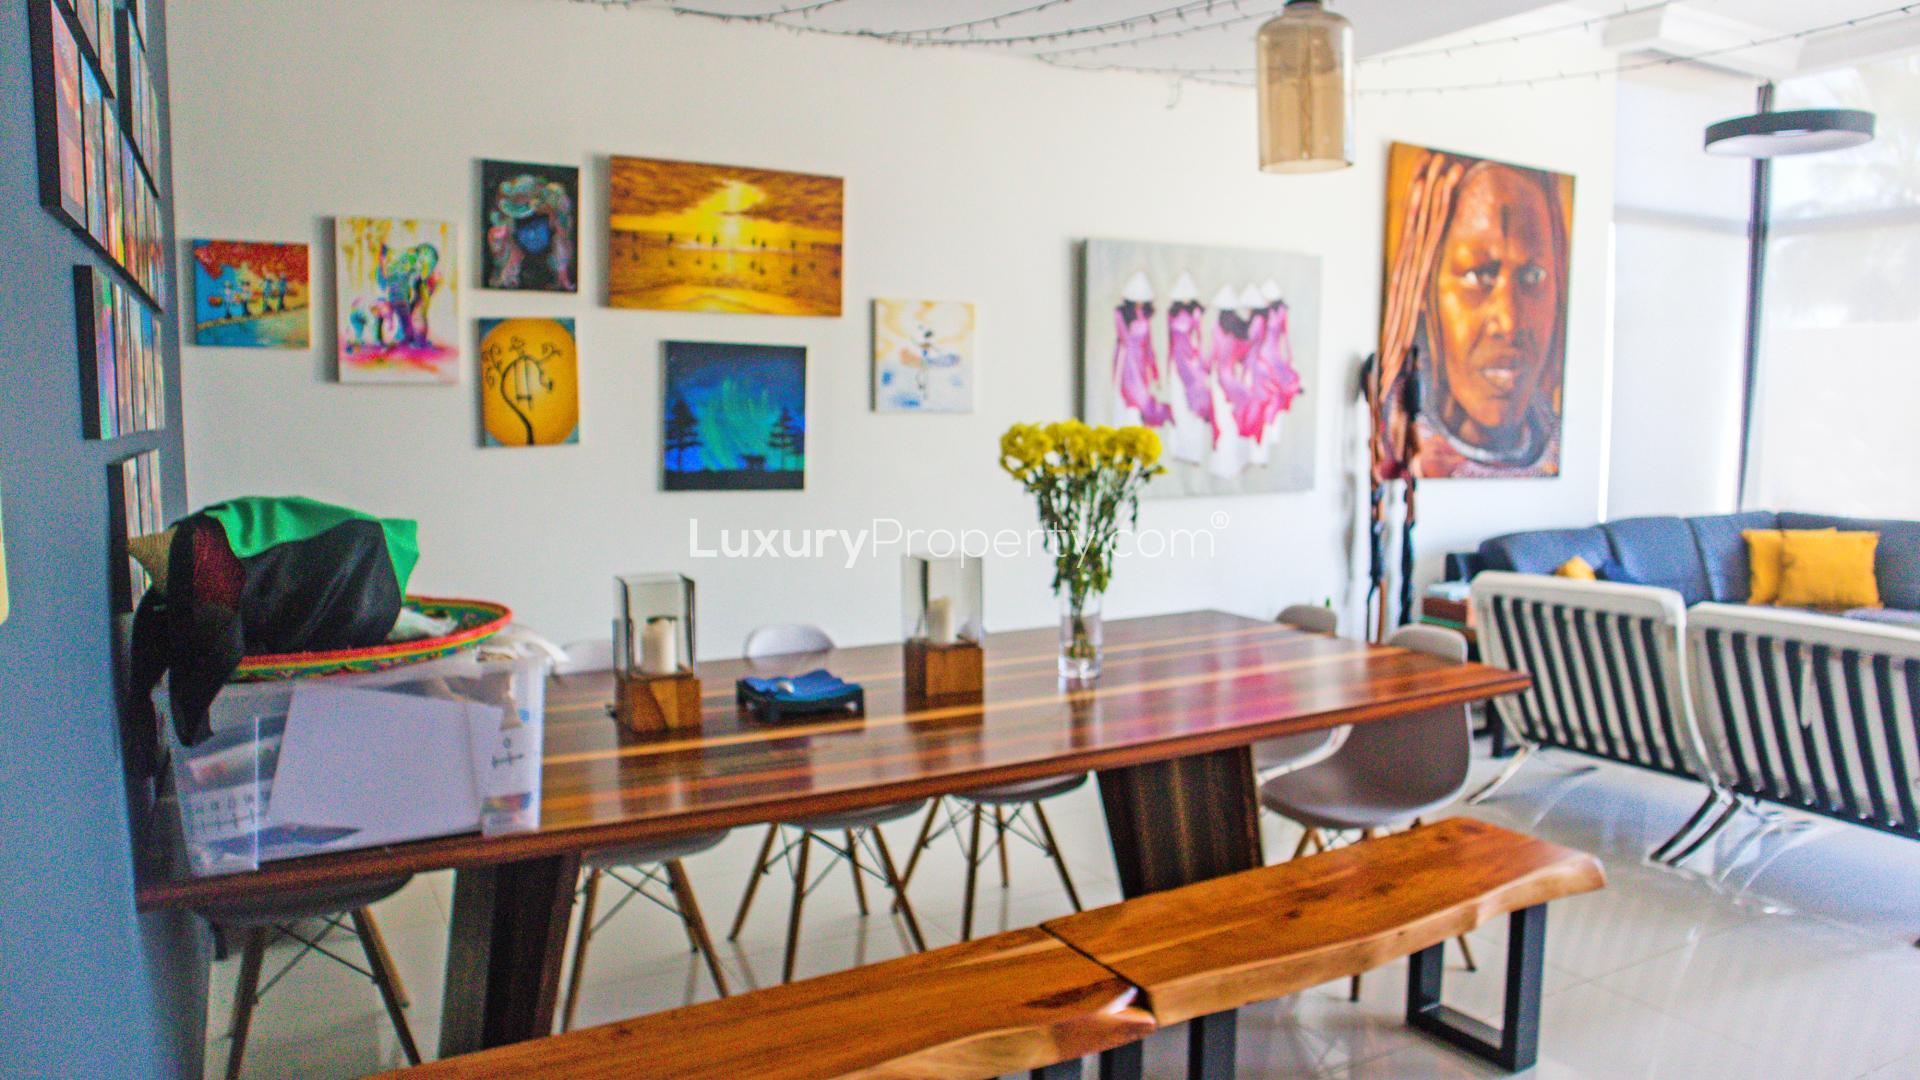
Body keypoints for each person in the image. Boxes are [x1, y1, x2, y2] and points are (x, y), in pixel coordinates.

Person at [1378, 149, 1569, 478]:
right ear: (1424, 289)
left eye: (1534, 277)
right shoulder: (1391, 445)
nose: (1509, 322)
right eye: (1478, 275)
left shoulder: (1556, 449)